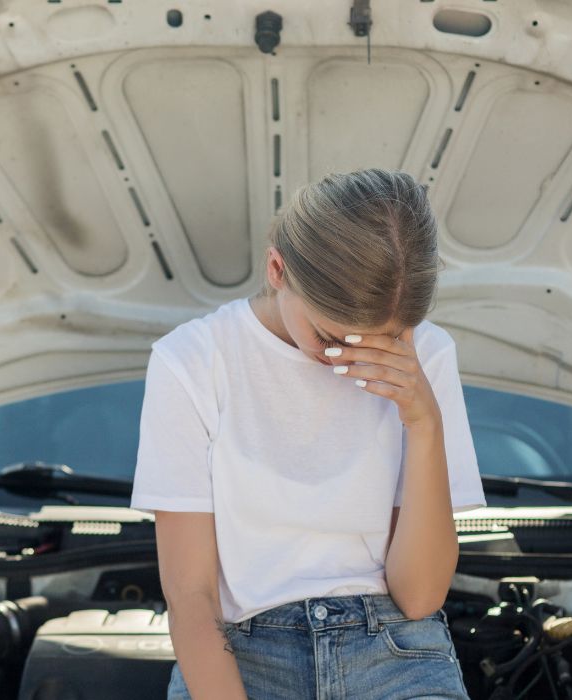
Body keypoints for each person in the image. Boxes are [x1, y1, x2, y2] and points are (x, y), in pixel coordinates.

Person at [129, 168, 487, 699]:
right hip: (241, 650)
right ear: (277, 268)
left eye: (385, 339)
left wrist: (424, 423)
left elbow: (419, 596)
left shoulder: (427, 355)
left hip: (394, 647)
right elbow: (192, 597)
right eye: (331, 337)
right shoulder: (193, 361)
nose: (355, 359)